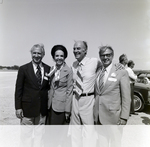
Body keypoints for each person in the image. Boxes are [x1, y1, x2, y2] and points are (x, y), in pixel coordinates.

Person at [94, 46, 131, 147]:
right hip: (99, 118)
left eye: (108, 55)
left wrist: (124, 117)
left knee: (115, 143)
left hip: (114, 118)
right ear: (100, 56)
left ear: (112, 56)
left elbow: (126, 97)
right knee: (102, 144)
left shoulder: (121, 72)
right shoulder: (98, 71)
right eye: (102, 55)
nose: (105, 57)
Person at [15, 43, 50, 147]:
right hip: (27, 110)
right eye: (34, 53)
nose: (36, 55)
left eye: (39, 53)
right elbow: (18, 90)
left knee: (40, 139)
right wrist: (18, 107)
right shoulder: (23, 69)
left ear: (43, 54)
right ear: (31, 54)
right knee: (26, 139)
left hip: (42, 111)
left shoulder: (48, 69)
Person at [69, 41, 101, 147]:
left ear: (85, 50)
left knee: (88, 130)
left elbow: (105, 65)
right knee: (75, 129)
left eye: (78, 48)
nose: (75, 51)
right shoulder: (73, 65)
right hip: (75, 98)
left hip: (88, 98)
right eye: (74, 48)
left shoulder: (94, 61)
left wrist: (118, 65)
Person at [47, 45, 73, 125]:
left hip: (61, 107)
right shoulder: (52, 69)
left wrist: (67, 110)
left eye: (61, 56)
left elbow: (69, 91)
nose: (59, 58)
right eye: (57, 56)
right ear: (53, 57)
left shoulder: (68, 71)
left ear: (64, 57)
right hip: (50, 105)